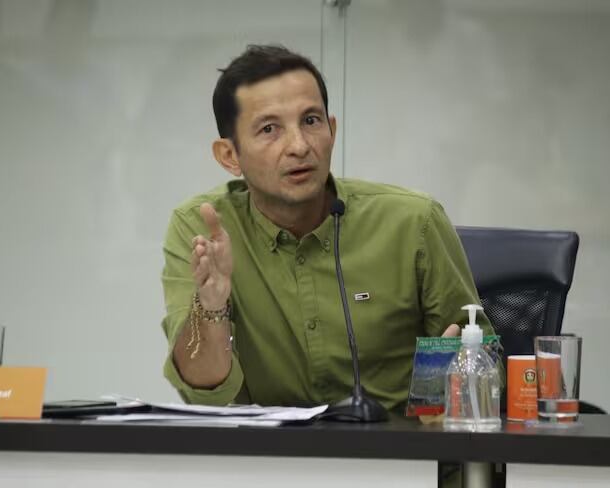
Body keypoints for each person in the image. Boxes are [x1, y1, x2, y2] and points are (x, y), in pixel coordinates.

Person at [161, 44, 497, 409]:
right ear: (229, 156)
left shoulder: (414, 222)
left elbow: (489, 371)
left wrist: (448, 377)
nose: (299, 146)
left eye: (311, 121)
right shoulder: (204, 230)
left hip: (397, 440)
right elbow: (202, 390)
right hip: (272, 445)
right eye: (270, 129)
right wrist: (211, 306)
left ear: (331, 131)